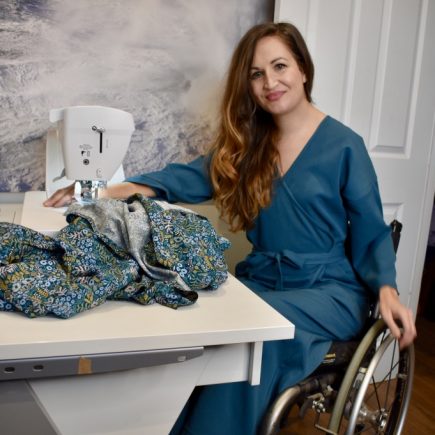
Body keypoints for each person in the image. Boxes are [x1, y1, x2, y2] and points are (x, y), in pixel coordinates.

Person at [44, 22, 416, 434]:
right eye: (257, 74)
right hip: (262, 282)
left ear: (303, 69)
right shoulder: (248, 146)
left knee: (257, 336)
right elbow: (186, 177)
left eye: (280, 66)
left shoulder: (345, 145)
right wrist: (108, 189)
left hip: (328, 290)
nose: (269, 82)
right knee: (198, 326)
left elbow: (370, 230)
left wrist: (387, 289)